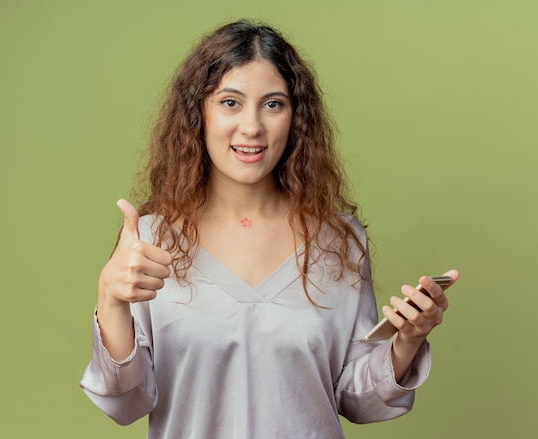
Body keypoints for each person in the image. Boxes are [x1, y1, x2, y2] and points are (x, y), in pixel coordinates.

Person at [80, 20, 459, 439]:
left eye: (273, 104)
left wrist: (406, 341)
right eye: (230, 102)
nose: (252, 127)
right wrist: (110, 297)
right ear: (197, 115)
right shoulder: (151, 242)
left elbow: (356, 398)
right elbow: (125, 402)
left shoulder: (340, 242)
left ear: (296, 118)